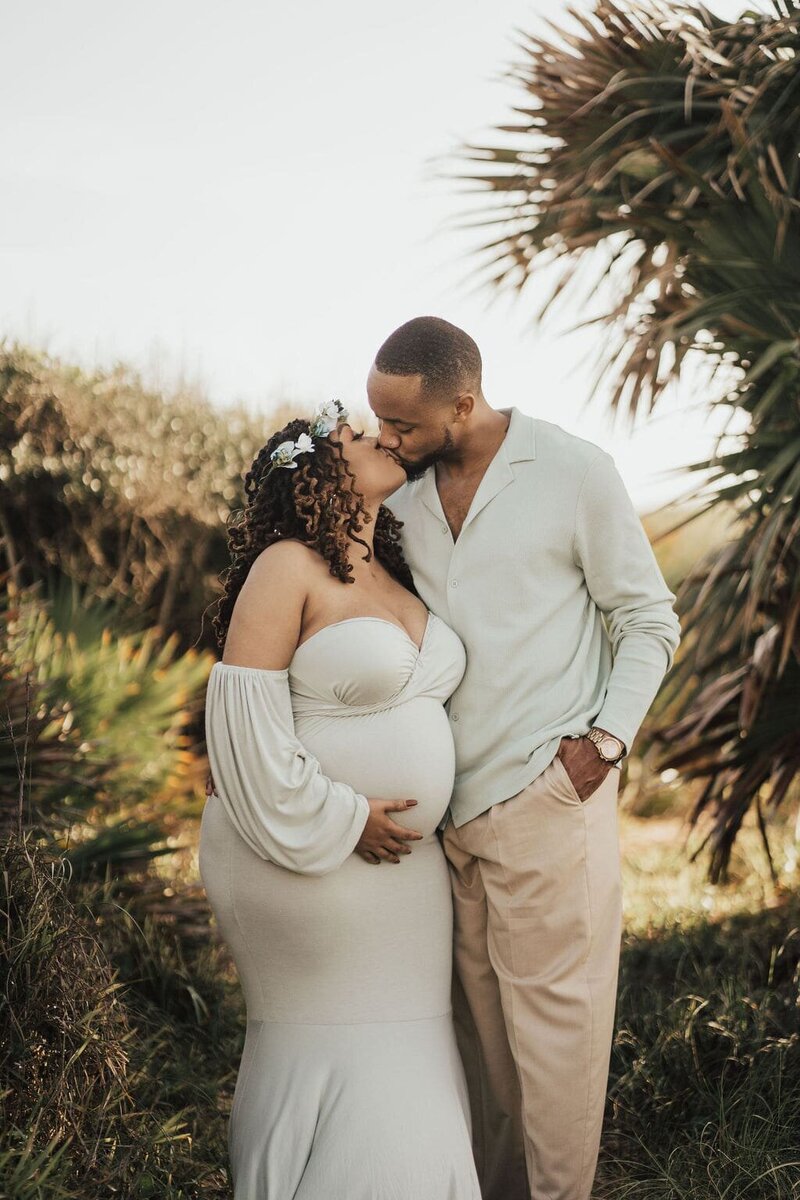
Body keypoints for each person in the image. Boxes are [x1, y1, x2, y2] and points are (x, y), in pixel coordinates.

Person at [369, 316, 682, 1200]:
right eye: (379, 423)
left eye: (403, 426)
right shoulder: (399, 501)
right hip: (447, 824)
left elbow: (650, 620)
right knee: (484, 1057)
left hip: (549, 799)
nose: (388, 442)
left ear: (462, 403)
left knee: (558, 1048)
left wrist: (604, 747)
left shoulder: (575, 472)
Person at [198, 398, 481, 1199]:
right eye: (361, 433)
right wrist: (350, 817)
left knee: (412, 1043)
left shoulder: (397, 567)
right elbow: (244, 737)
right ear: (318, 469)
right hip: (302, 854)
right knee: (342, 1041)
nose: (383, 437)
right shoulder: (285, 566)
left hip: (404, 877)